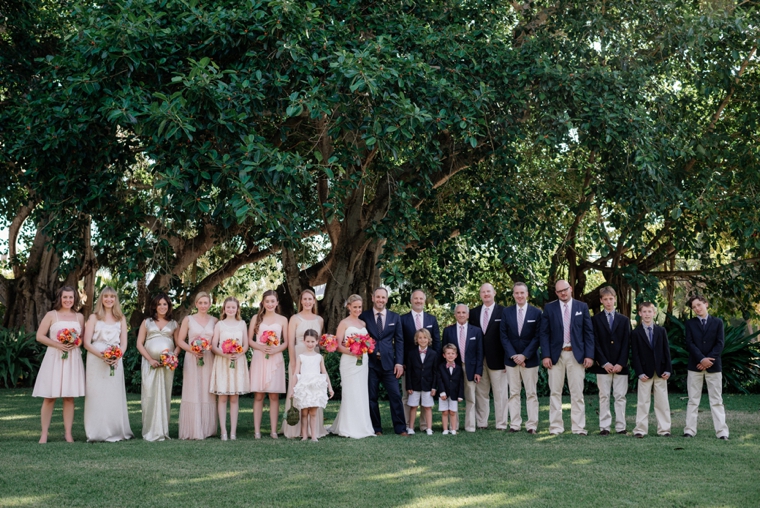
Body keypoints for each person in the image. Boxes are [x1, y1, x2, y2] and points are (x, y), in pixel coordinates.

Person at [539, 280, 594, 435]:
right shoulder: (549, 308)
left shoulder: (581, 307)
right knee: (555, 392)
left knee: (577, 393)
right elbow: (544, 333)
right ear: (556, 293)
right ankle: (556, 427)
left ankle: (578, 427)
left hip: (576, 355)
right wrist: (546, 355)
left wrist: (589, 355)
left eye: (565, 290)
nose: (563, 293)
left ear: (570, 289)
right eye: (559, 291)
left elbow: (588, 333)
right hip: (556, 356)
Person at [33, 286, 86, 443]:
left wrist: (75, 343)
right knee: (50, 397)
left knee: (69, 397)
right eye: (65, 297)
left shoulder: (79, 317)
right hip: (54, 358)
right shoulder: (51, 315)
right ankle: (44, 433)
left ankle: (68, 433)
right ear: (60, 298)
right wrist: (58, 345)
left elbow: (82, 338)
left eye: (71, 297)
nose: (68, 300)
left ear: (75, 299)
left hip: (72, 359)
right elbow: (39, 336)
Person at [82, 286, 133, 442]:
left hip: (116, 359)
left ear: (115, 299)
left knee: (113, 394)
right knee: (96, 395)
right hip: (96, 359)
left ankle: (116, 430)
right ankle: (97, 432)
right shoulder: (93, 317)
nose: (109, 299)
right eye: (106, 296)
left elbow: (124, 343)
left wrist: (117, 356)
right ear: (101, 299)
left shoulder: (121, 318)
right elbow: (86, 343)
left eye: (112, 296)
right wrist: (102, 355)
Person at [360, 287, 407, 436]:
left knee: (395, 396)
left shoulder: (395, 317)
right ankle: (376, 428)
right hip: (370, 363)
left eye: (383, 297)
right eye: (378, 297)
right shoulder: (364, 316)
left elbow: (399, 341)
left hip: (389, 364)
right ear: (373, 298)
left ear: (386, 299)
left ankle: (400, 428)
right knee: (371, 397)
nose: (380, 300)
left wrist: (399, 362)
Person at [329, 294, 376, 439]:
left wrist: (364, 350)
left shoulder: (363, 324)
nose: (357, 309)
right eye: (354, 307)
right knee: (350, 392)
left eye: (359, 307)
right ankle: (348, 427)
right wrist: (352, 352)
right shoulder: (344, 323)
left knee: (361, 392)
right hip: (349, 362)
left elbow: (368, 343)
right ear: (348, 307)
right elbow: (337, 345)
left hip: (363, 362)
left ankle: (362, 426)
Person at [283, 289, 327, 439]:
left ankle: (314, 430)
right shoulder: (294, 318)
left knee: (313, 391)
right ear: (300, 301)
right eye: (305, 299)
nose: (308, 302)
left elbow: (318, 342)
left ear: (314, 301)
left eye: (310, 299)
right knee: (298, 391)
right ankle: (295, 429)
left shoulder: (319, 320)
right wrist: (293, 362)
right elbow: (290, 342)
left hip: (313, 361)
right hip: (298, 357)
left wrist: (328, 346)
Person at [684, 295, 728, 440]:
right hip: (695, 366)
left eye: (699, 305)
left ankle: (722, 432)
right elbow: (689, 343)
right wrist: (701, 359)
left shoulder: (718, 322)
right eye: (694, 307)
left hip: (714, 367)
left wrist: (709, 360)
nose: (697, 309)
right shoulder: (690, 323)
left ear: (706, 304)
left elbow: (720, 343)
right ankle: (689, 430)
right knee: (693, 399)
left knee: (716, 400)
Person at [136, 293, 179, 442]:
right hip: (150, 364)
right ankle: (149, 430)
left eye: (165, 304)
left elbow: (178, 344)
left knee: (165, 395)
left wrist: (172, 358)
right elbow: (139, 344)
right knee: (149, 395)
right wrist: (150, 359)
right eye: (159, 304)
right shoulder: (147, 322)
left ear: (169, 306)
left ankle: (162, 430)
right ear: (154, 306)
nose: (162, 307)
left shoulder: (173, 323)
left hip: (167, 366)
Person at [500, 282, 542, 434]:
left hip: (529, 360)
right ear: (513, 295)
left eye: (522, 293)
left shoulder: (536, 313)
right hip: (511, 360)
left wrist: (524, 355)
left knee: (531, 393)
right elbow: (503, 336)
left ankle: (532, 425)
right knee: (514, 393)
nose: (519, 296)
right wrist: (514, 356)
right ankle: (515, 424)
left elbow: (538, 337)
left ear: (527, 294)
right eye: (516, 293)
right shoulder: (507, 312)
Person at [176, 291, 218, 440]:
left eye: (206, 303)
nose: (203, 305)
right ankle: (193, 428)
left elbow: (216, 342)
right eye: (200, 303)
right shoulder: (188, 319)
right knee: (193, 390)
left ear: (210, 304)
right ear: (196, 304)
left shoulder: (215, 320)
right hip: (191, 358)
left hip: (208, 358)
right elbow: (180, 341)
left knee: (207, 391)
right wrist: (193, 350)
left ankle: (207, 429)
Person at [590, 287, 631, 436]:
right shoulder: (595, 320)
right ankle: (605, 427)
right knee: (604, 395)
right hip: (603, 365)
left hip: (621, 365)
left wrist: (621, 363)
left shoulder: (624, 320)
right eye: (605, 299)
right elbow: (595, 343)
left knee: (620, 396)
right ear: (601, 300)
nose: (608, 302)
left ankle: (621, 426)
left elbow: (627, 343)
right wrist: (604, 362)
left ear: (615, 299)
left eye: (611, 298)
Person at [249, 290, 289, 439]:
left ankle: (273, 430)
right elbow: (250, 340)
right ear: (263, 303)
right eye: (267, 301)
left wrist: (277, 349)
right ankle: (257, 431)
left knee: (274, 396)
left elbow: (286, 342)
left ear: (277, 303)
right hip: (260, 357)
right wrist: (261, 347)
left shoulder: (283, 320)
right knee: (258, 395)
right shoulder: (256, 318)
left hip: (276, 358)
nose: (270, 304)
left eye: (273, 301)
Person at [209, 297, 250, 440]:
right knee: (222, 398)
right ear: (224, 308)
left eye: (233, 307)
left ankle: (233, 432)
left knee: (234, 398)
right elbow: (213, 345)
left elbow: (246, 344)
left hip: (238, 361)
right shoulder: (219, 324)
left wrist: (239, 353)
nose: (231, 310)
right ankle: (223, 432)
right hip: (222, 361)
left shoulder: (242, 324)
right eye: (228, 307)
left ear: (237, 309)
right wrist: (225, 355)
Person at [468, 283, 508, 430]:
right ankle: (482, 423)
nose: (486, 294)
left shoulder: (504, 312)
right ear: (480, 295)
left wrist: (507, 359)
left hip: (499, 360)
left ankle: (501, 423)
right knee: (481, 393)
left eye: (488, 291)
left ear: (494, 293)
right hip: (479, 360)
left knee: (500, 394)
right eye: (483, 292)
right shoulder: (473, 313)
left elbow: (507, 337)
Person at [400, 289, 440, 431]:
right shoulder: (402, 319)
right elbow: (400, 342)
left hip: (428, 364)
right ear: (411, 300)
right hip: (409, 365)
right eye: (415, 298)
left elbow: (437, 342)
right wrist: (401, 361)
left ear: (424, 301)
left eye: (421, 299)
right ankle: (406, 424)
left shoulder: (431, 319)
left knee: (426, 397)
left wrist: (436, 361)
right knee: (408, 395)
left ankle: (424, 425)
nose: (418, 301)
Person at [631, 302, 672, 438]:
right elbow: (635, 354)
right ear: (640, 314)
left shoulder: (661, 331)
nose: (647, 314)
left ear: (654, 313)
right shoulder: (636, 333)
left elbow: (666, 351)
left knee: (662, 401)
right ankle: (640, 429)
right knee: (643, 401)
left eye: (650, 311)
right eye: (644, 312)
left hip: (660, 371)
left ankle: (664, 429)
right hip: (644, 372)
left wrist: (668, 369)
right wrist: (639, 372)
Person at [441, 304, 483, 432]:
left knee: (470, 397)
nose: (461, 315)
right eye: (458, 312)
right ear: (455, 315)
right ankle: (454, 425)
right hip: (454, 368)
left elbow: (479, 352)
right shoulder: (448, 331)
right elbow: (444, 351)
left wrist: (478, 371)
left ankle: (470, 426)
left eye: (463, 312)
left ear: (468, 315)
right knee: (453, 396)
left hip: (471, 368)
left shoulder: (476, 331)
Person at [292, 329, 334, 442]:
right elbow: (296, 373)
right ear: (304, 341)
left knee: (313, 413)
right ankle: (305, 435)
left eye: (312, 341)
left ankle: (314, 435)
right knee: (304, 412)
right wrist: (293, 389)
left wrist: (330, 387)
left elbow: (324, 373)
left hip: (315, 387)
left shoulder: (319, 357)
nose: (310, 344)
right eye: (308, 341)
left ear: (317, 342)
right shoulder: (301, 357)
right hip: (304, 386)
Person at [405, 328, 438, 435]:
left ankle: (428, 428)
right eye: (420, 338)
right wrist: (409, 386)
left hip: (428, 385)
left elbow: (435, 372)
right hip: (414, 385)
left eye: (425, 338)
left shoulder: (433, 354)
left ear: (429, 339)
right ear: (416, 339)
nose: (422, 340)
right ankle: (411, 428)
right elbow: (409, 371)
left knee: (427, 407)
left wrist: (434, 387)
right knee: (413, 406)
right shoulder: (411, 353)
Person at [436, 344, 465, 435]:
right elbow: (439, 380)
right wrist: (442, 392)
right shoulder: (441, 367)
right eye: (448, 353)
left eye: (453, 353)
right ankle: (445, 429)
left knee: (453, 412)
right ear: (444, 355)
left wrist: (460, 395)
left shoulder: (459, 368)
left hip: (454, 394)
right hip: (443, 394)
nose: (450, 355)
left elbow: (461, 382)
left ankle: (453, 429)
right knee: (444, 412)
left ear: (456, 355)